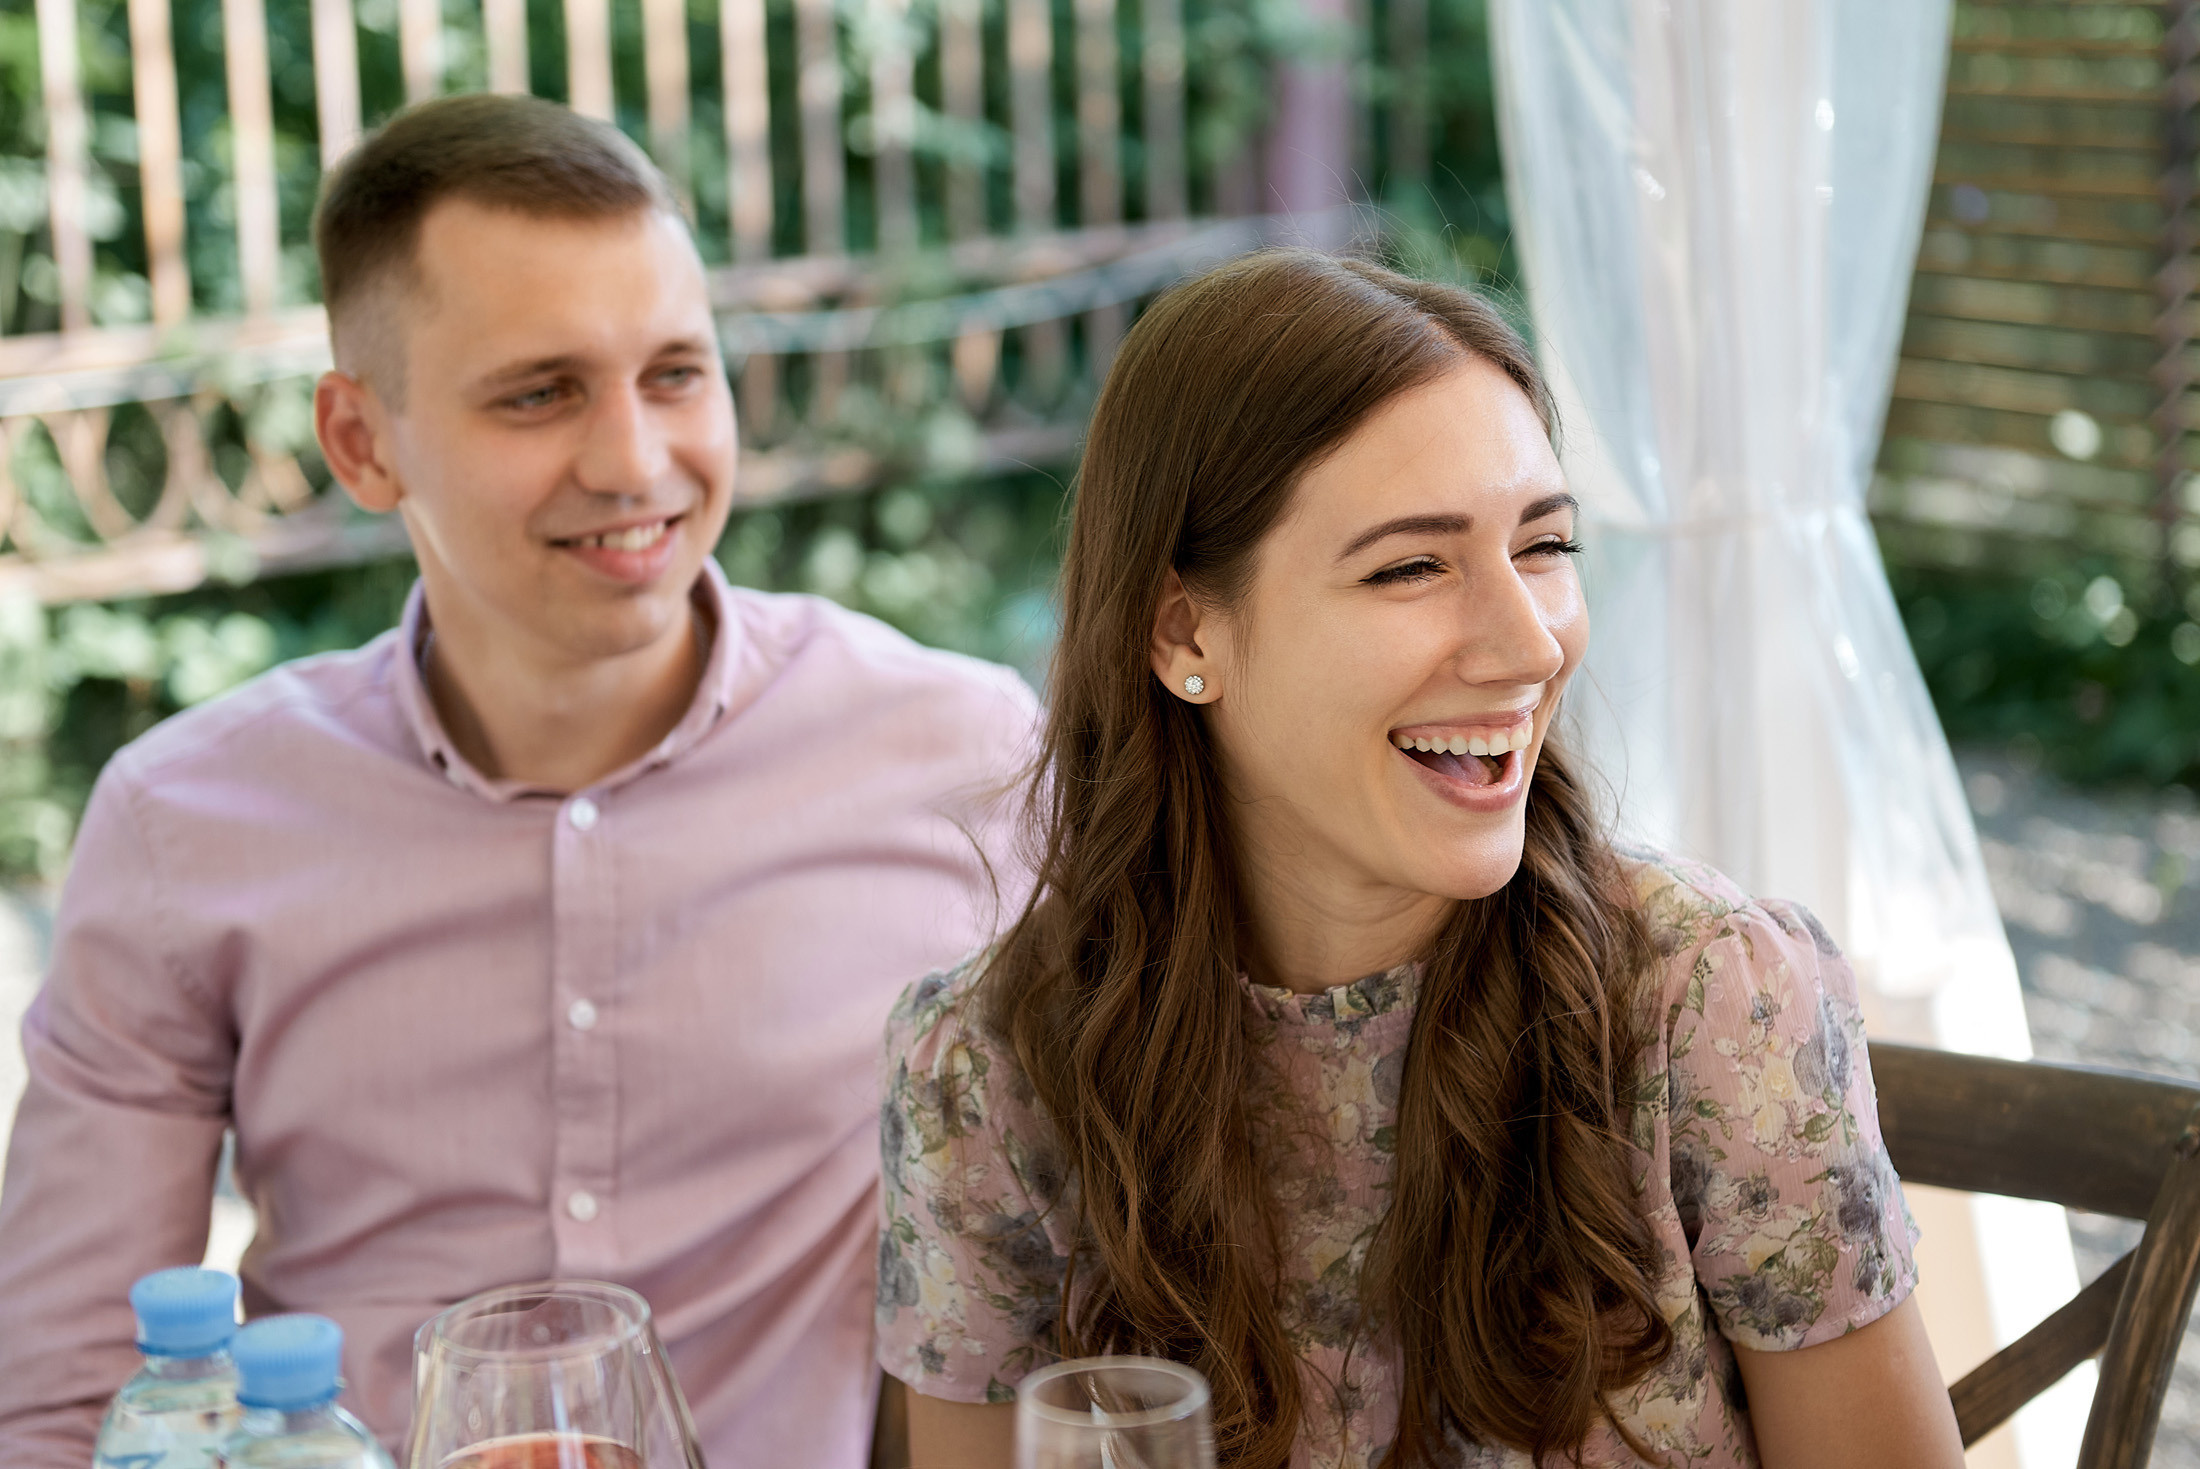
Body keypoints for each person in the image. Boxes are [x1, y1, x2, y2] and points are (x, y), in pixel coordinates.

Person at [0, 94, 1036, 1469]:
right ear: (362, 441)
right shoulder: (182, 824)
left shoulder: (956, 757)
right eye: (540, 393)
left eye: (676, 373)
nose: (633, 461)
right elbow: (70, 1391)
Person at [874, 251, 1967, 1469]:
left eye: (1545, 545)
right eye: (1411, 565)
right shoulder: (988, 1067)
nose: (1527, 643)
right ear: (1184, 630)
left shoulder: (1712, 1001)